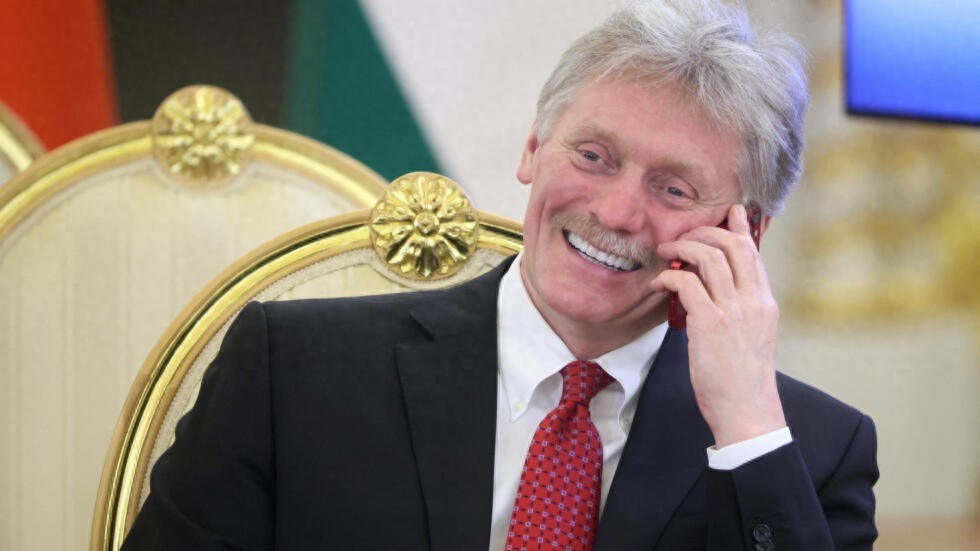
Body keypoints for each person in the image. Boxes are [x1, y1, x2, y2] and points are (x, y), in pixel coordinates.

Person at [122, 1, 878, 549]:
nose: (617, 211)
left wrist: (746, 425)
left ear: (747, 233)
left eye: (674, 189)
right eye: (594, 156)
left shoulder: (808, 452)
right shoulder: (290, 372)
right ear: (533, 149)